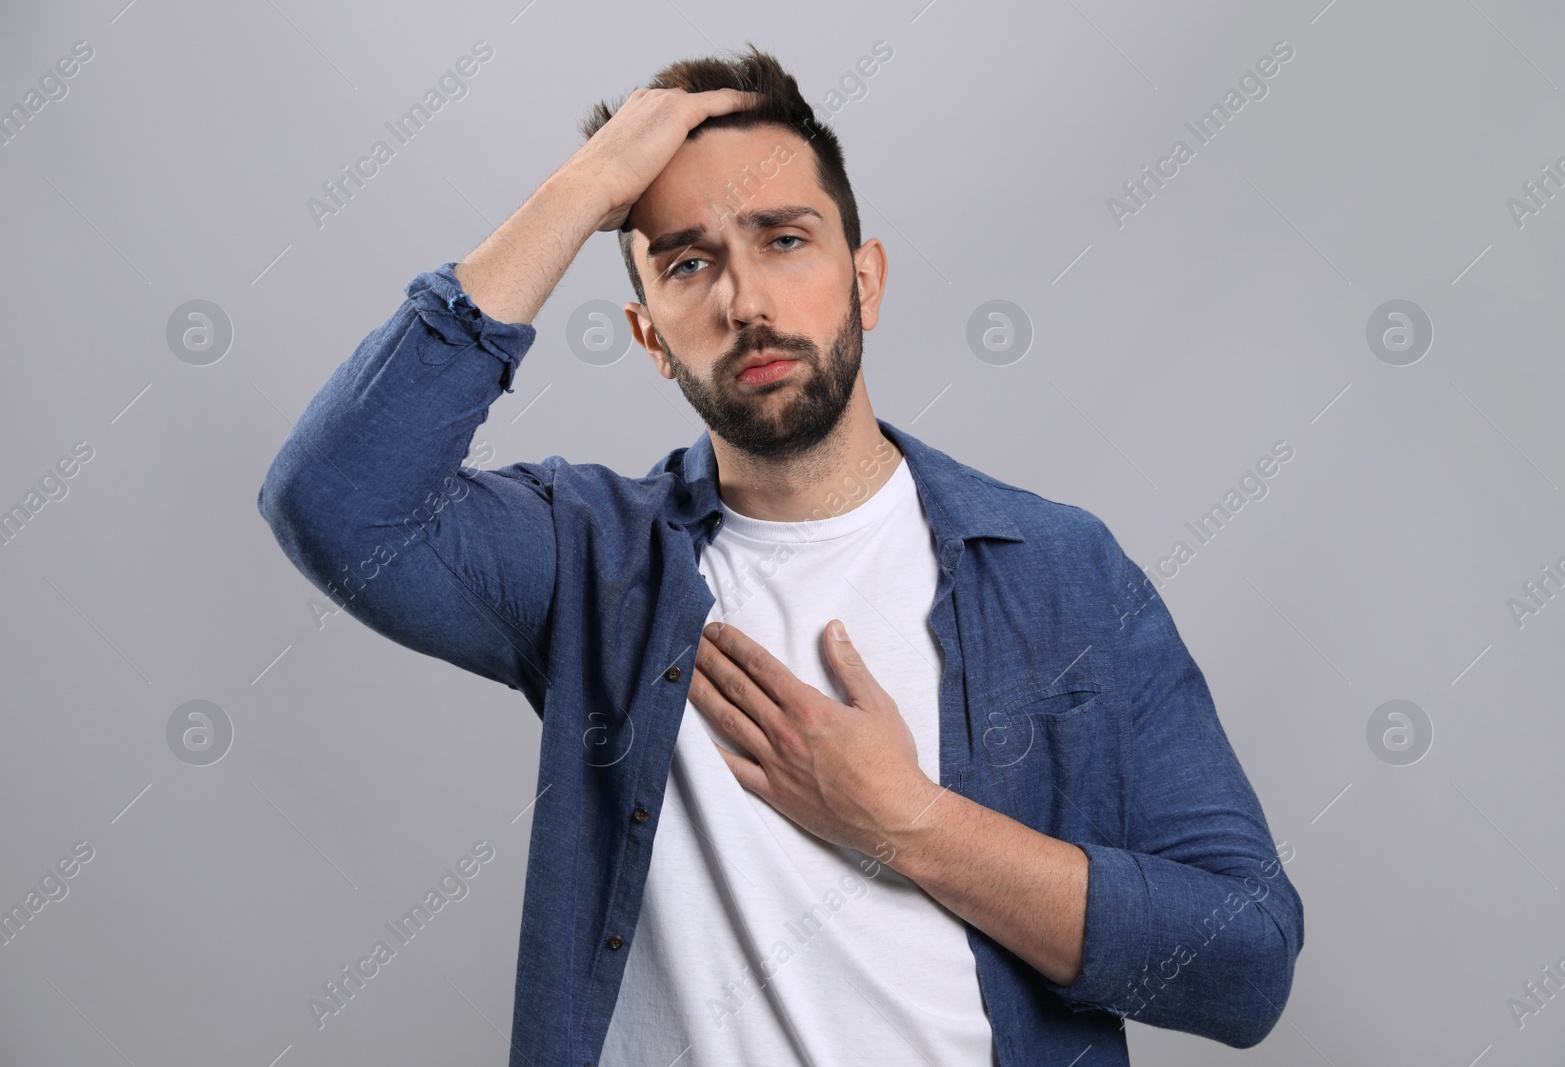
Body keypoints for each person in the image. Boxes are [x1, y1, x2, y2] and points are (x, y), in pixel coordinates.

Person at [258, 44, 1303, 1067]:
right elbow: (336, 502)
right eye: (689, 262)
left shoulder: (1062, 571)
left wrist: (912, 824)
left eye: (784, 240)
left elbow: (1246, 963)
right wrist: (584, 191)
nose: (745, 301)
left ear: (866, 280)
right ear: (650, 334)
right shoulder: (592, 560)